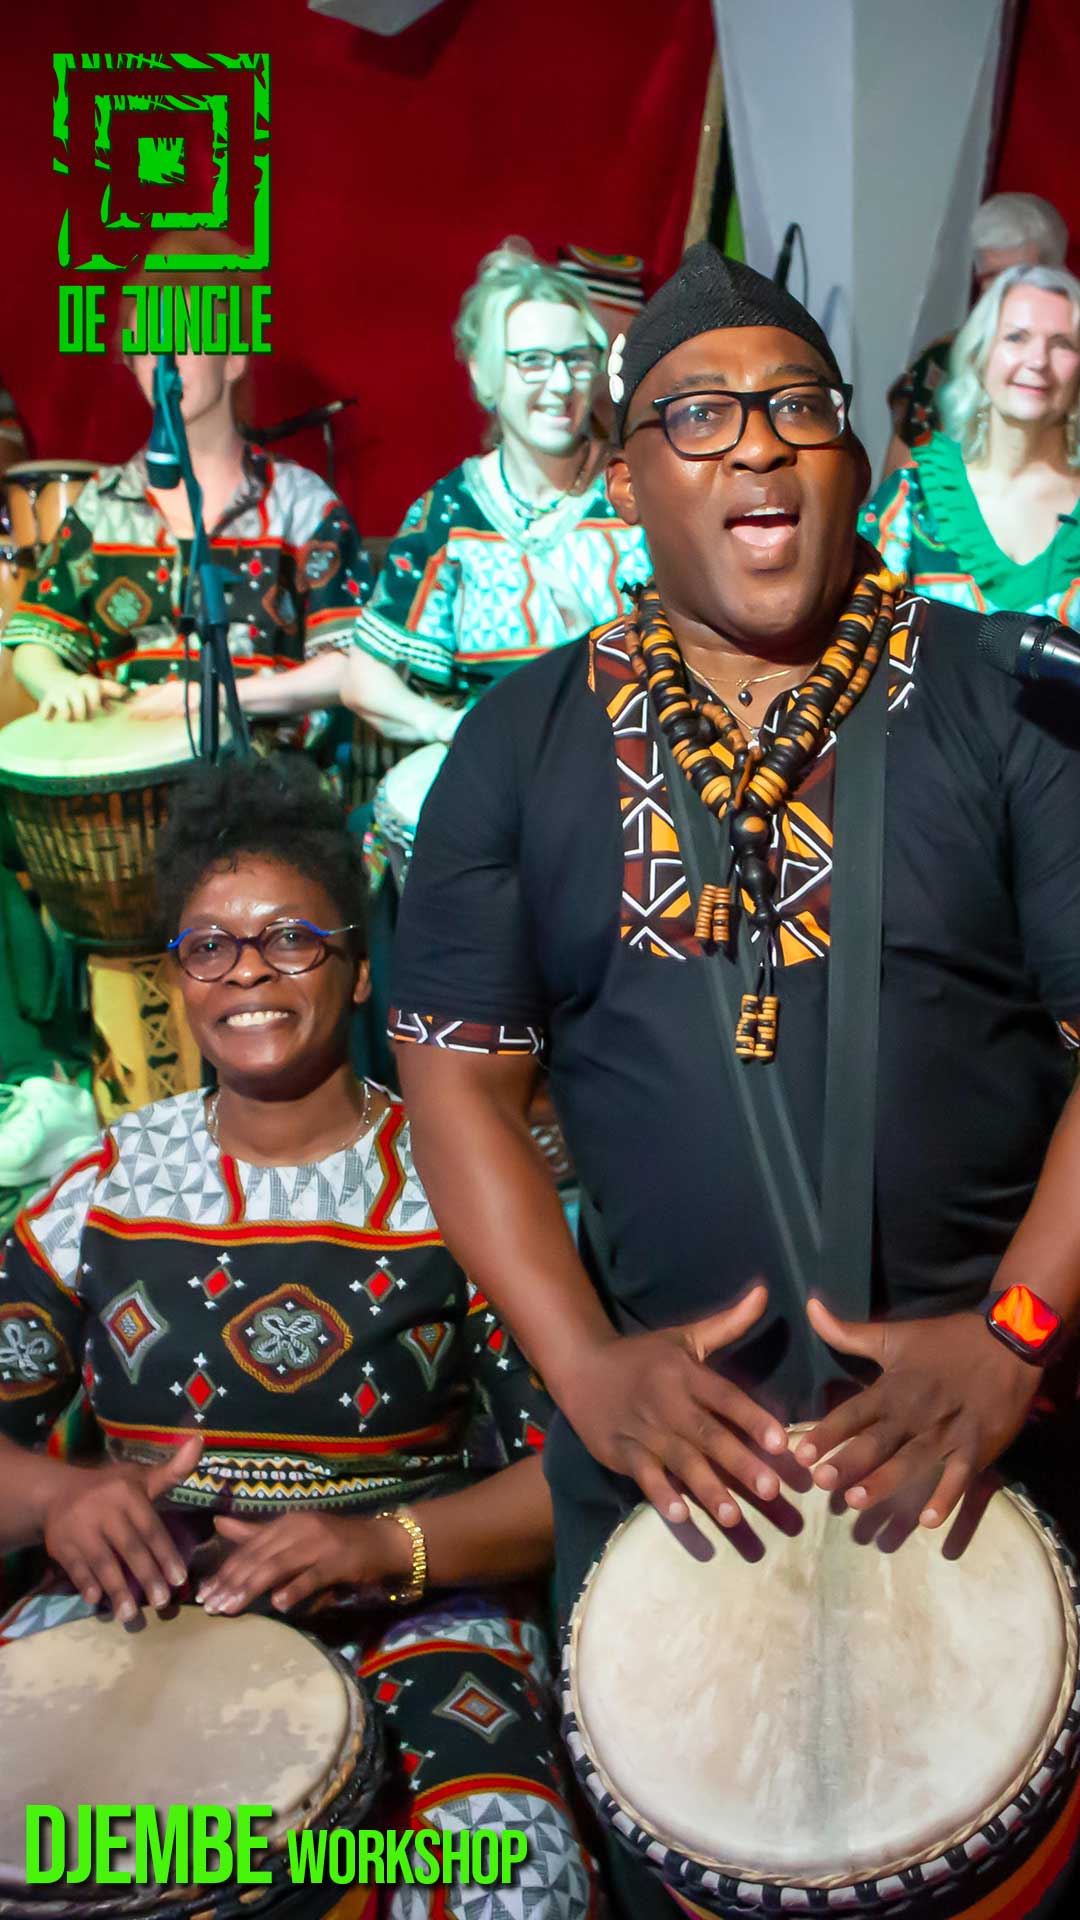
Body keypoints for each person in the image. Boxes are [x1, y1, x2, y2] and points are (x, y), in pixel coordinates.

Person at [388, 243, 1080, 1910]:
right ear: (626, 476)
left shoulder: (1008, 704)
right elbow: (454, 1083)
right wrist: (586, 1370)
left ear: (856, 454)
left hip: (1001, 1451)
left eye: (796, 407)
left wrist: (1016, 1337)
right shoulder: (520, 742)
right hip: (671, 1486)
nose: (756, 442)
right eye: (697, 414)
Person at [0, 753, 595, 1919]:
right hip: (147, 1598)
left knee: (509, 1883)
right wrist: (60, 1500)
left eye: (290, 938)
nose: (247, 971)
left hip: (420, 1606)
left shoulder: (459, 1184)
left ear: (359, 969)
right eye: (209, 946)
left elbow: (573, 1470)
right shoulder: (101, 1189)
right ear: (178, 979)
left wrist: (383, 1548)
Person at [3, 236, 373, 729]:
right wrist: (58, 682)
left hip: (266, 765)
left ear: (234, 359)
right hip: (129, 763)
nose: (164, 362)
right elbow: (36, 641)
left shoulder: (303, 506)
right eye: (147, 344)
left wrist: (213, 698)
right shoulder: (102, 506)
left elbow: (350, 665)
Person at [339, 237, 652, 785]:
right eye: (532, 361)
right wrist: (448, 726)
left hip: (622, 769)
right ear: (483, 375)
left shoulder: (642, 494)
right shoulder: (449, 514)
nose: (561, 383)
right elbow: (363, 679)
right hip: (495, 777)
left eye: (577, 359)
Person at [862, 264, 1080, 627]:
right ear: (979, 354)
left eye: (1062, 344)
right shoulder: (913, 499)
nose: (1038, 361)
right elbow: (854, 637)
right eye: (1016, 337)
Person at [883, 191, 1069, 476]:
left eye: (1020, 275)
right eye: (992, 277)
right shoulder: (942, 361)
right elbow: (898, 482)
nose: (1004, 292)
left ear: (1056, 274)